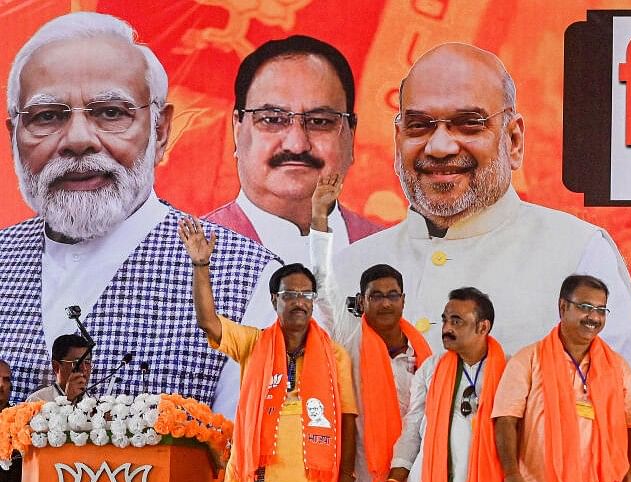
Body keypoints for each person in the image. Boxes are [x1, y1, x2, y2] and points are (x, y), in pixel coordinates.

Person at [0, 13, 277, 414]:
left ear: (160, 131)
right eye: (47, 117)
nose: (78, 140)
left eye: (111, 113)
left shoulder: (249, 283)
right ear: (13, 137)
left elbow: (250, 465)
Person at [334, 43, 631, 367]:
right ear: (398, 138)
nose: (440, 146)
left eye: (469, 123)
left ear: (513, 141)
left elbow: (623, 404)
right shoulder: (347, 267)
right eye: (420, 126)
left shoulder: (577, 253)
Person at [181, 219, 357, 482]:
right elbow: (209, 323)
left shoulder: (334, 354)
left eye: (306, 295)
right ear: (274, 300)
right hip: (261, 480)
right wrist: (201, 265)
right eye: (290, 295)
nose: (299, 303)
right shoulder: (254, 343)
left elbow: (347, 419)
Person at [307, 173, 430, 482]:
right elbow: (322, 284)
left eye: (392, 295)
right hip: (361, 475)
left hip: (412, 474)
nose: (385, 303)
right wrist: (319, 221)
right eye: (376, 296)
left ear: (403, 300)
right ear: (361, 301)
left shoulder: (425, 354)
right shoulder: (350, 337)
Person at [492, 275, 631, 482]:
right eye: (586, 307)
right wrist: (511, 474)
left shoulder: (616, 365)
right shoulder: (529, 359)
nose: (594, 318)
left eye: (601, 310)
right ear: (563, 307)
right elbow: (506, 419)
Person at [204, 35, 384, 263]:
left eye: (319, 121)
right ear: (238, 130)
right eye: (272, 120)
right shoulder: (182, 258)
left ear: (351, 134)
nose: (297, 144)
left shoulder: (389, 254)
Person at [388, 288, 507, 482]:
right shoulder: (431, 368)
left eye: (457, 321)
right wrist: (395, 479)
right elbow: (413, 427)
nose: (446, 328)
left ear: (483, 326)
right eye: (445, 320)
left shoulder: (508, 369)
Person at [26, 334, 92, 403]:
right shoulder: (36, 401)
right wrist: (69, 400)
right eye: (77, 362)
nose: (84, 368)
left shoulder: (95, 404)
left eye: (87, 362)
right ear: (56, 366)